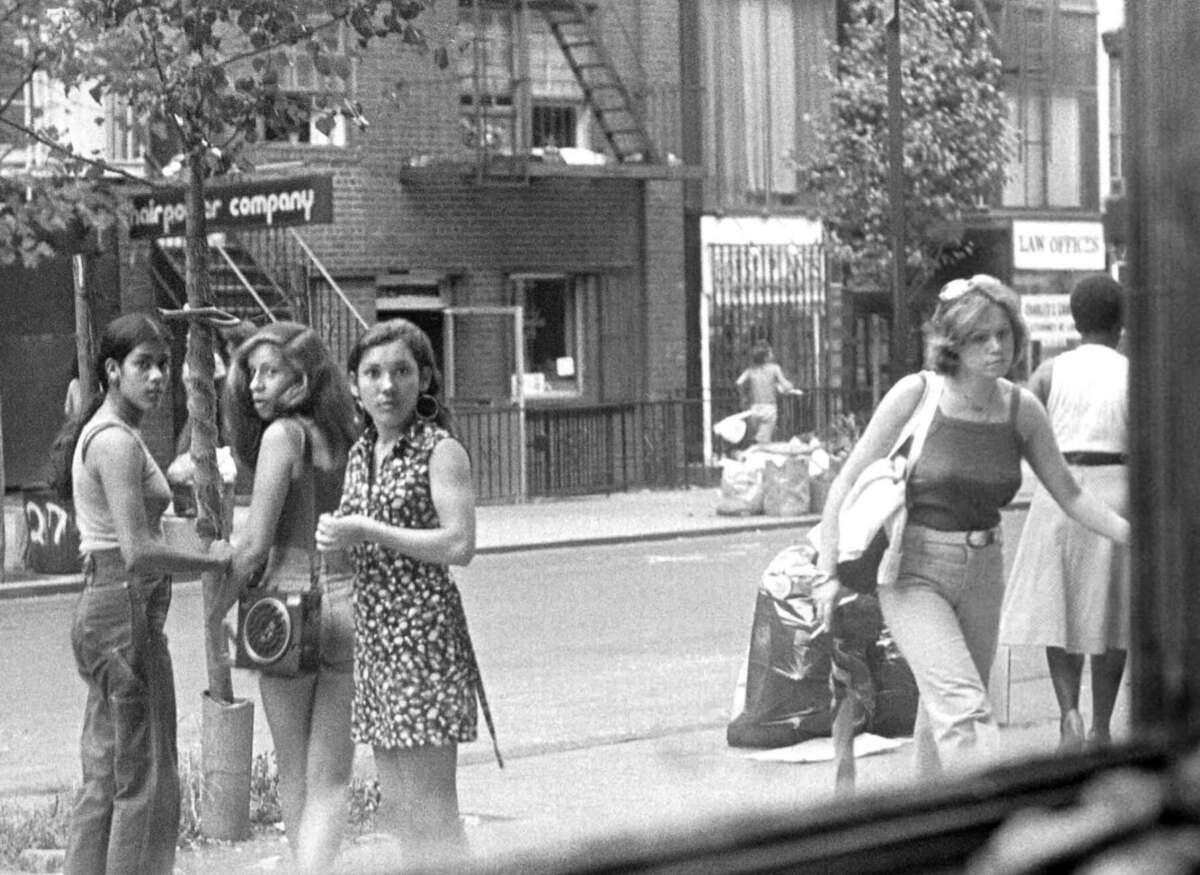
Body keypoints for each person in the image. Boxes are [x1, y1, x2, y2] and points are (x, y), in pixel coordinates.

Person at [812, 275, 1130, 776]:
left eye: (1004, 334)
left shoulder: (1021, 409)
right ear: (952, 344)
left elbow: (1070, 494)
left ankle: (926, 829)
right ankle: (992, 814)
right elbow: (844, 485)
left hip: (984, 570)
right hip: (913, 570)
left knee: (944, 716)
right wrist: (827, 574)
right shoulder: (916, 394)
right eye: (980, 337)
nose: (996, 347)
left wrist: (1138, 537)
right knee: (965, 712)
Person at [56, 312, 233, 875]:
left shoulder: (113, 433)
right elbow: (137, 550)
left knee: (107, 772)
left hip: (106, 609)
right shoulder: (116, 443)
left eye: (163, 364)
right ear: (112, 370)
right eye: (143, 365)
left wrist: (176, 481)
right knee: (148, 777)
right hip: (125, 608)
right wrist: (210, 559)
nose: (158, 377)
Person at [315, 319, 498, 865]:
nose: (386, 385)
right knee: (399, 807)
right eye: (372, 373)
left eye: (401, 371)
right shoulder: (360, 452)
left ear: (424, 380)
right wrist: (335, 539)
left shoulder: (440, 451)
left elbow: (460, 543)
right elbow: (355, 540)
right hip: (375, 637)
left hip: (421, 634)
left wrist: (367, 529)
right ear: (353, 385)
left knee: (433, 807)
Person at [220, 322, 360, 873]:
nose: (255, 384)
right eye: (252, 372)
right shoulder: (343, 436)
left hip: (285, 605)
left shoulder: (283, 437)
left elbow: (254, 544)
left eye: (270, 372)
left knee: (294, 768)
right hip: (347, 603)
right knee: (333, 775)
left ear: (302, 378)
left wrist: (216, 609)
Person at [999, 275, 1130, 751]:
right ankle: (1100, 727)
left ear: (1075, 320)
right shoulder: (1131, 372)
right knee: (1111, 617)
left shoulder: (1049, 373)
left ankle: (1068, 713)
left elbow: (1019, 429)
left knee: (1062, 610)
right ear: (1120, 322)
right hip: (1115, 490)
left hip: (1059, 491)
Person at [736, 340, 798, 444]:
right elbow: (786, 386)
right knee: (763, 441)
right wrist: (790, 386)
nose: (772, 354)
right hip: (769, 408)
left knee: (760, 437)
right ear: (766, 357)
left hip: (754, 408)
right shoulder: (774, 368)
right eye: (770, 353)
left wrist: (744, 396)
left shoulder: (751, 370)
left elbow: (739, 382)